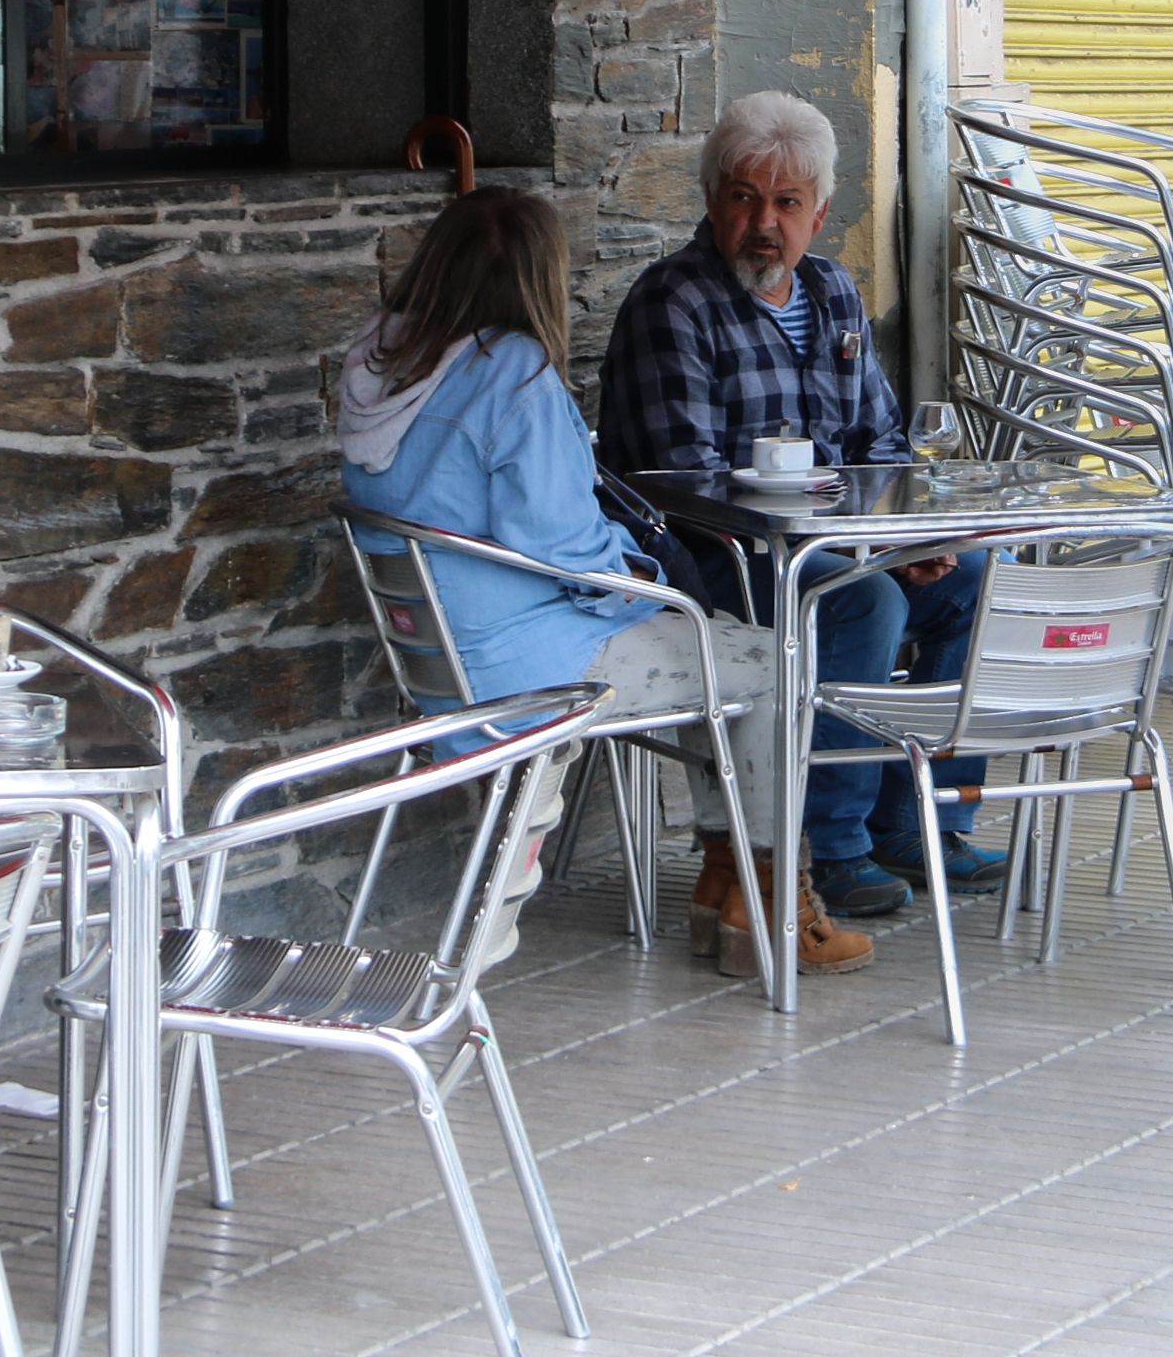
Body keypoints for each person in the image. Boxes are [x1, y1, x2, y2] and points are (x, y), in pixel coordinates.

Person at [336, 187, 872, 973]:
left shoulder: (379, 365)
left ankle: (726, 886)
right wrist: (646, 576)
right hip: (529, 666)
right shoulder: (511, 374)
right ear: (534, 278)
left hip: (440, 659)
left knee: (712, 647)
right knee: (767, 659)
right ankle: (768, 906)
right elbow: (560, 541)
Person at [596, 90, 997, 925]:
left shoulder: (834, 293)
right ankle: (826, 847)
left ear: (820, 212)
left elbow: (883, 441)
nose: (764, 223)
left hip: (830, 548)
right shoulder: (676, 303)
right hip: (708, 566)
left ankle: (924, 821)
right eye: (745, 198)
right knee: (864, 602)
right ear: (713, 203)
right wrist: (865, 558)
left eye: (786, 203)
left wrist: (904, 536)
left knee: (975, 582)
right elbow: (684, 487)